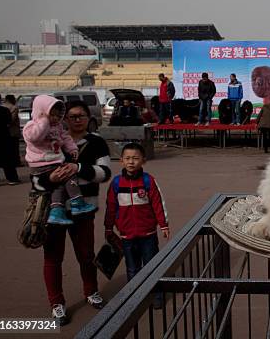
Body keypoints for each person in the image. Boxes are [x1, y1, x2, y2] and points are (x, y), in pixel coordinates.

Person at [33, 100, 112, 325]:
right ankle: (56, 303)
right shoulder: (50, 139)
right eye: (72, 116)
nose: (77, 119)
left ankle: (91, 291)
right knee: (52, 259)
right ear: (65, 119)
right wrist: (50, 178)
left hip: (84, 209)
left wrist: (78, 168)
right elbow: (35, 178)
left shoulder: (97, 142)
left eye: (81, 116)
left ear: (89, 118)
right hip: (52, 210)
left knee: (86, 255)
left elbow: (105, 173)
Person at [104, 143, 169, 308]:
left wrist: (163, 225)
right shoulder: (117, 183)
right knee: (132, 269)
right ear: (121, 161)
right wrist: (108, 227)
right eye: (127, 158)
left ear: (143, 161)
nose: (131, 162)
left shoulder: (148, 181)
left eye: (135, 158)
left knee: (151, 265)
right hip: (126, 235)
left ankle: (156, 295)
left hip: (148, 234)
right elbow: (111, 207)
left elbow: (158, 204)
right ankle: (135, 297)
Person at [23, 95, 96, 225]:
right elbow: (34, 138)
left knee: (63, 180)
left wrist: (73, 150)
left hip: (55, 161)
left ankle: (57, 210)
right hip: (41, 163)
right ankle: (76, 202)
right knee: (66, 176)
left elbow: (66, 137)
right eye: (72, 117)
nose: (55, 118)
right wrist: (44, 121)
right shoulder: (33, 126)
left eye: (58, 115)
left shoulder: (95, 140)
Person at [0, 91, 19, 186]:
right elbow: (9, 121)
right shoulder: (4, 110)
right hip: (3, 136)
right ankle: (12, 178)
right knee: (8, 159)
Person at [3, 94, 22, 167]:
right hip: (13, 131)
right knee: (15, 148)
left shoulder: (2, 106)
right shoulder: (14, 108)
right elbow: (12, 120)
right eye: (14, 99)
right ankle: (16, 162)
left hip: (4, 131)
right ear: (11, 99)